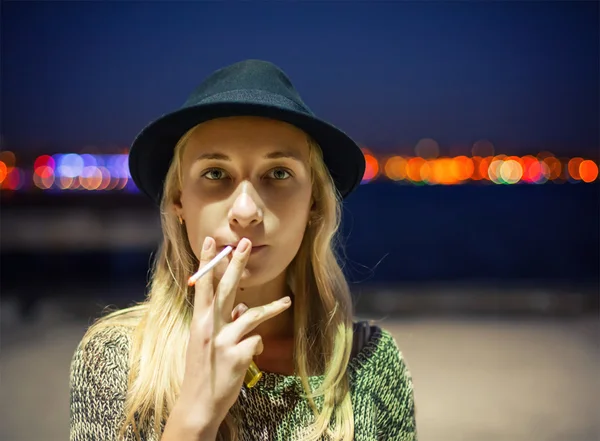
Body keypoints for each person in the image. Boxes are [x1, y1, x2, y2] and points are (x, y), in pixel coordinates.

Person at [69, 59, 417, 441]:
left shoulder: (370, 366)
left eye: (279, 174)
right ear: (178, 200)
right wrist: (195, 415)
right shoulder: (116, 359)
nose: (246, 212)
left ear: (313, 204)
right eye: (216, 174)